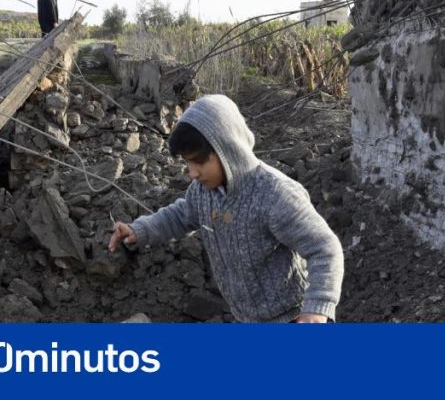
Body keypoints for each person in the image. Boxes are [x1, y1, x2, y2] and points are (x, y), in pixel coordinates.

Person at [108, 95, 344, 323]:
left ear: (227, 151)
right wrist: (139, 230)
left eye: (199, 162)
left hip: (292, 317)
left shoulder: (275, 195)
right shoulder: (202, 192)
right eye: (187, 162)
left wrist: (316, 308)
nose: (192, 172)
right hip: (247, 317)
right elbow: (180, 216)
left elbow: (324, 248)